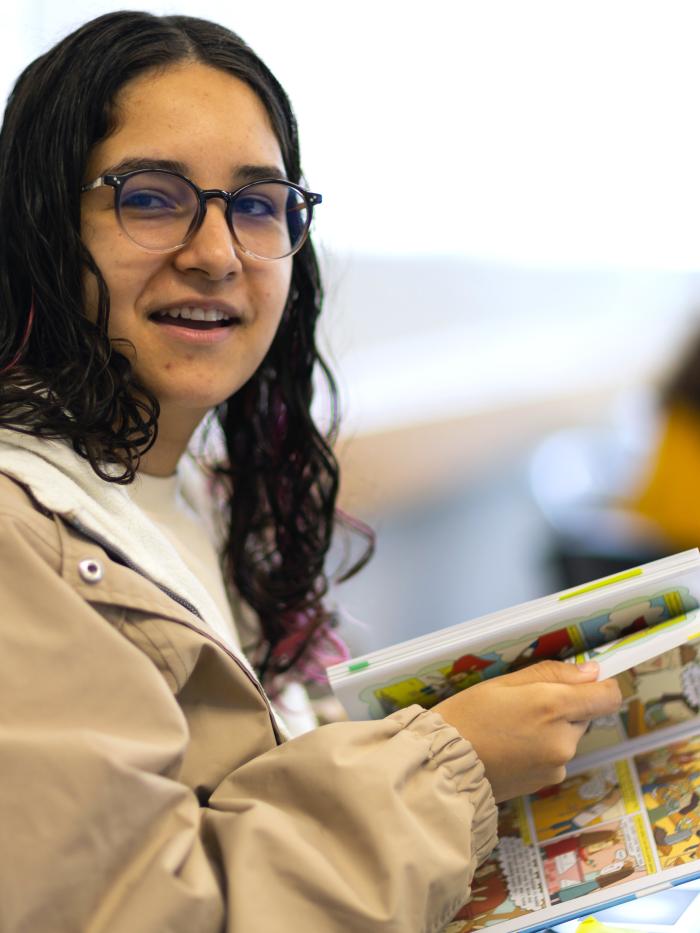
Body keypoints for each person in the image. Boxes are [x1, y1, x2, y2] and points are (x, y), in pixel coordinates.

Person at [0, 11, 622, 932]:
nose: (215, 254)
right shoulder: (22, 538)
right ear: (43, 222)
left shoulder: (196, 495)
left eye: (256, 204)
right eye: (152, 195)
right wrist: (449, 767)